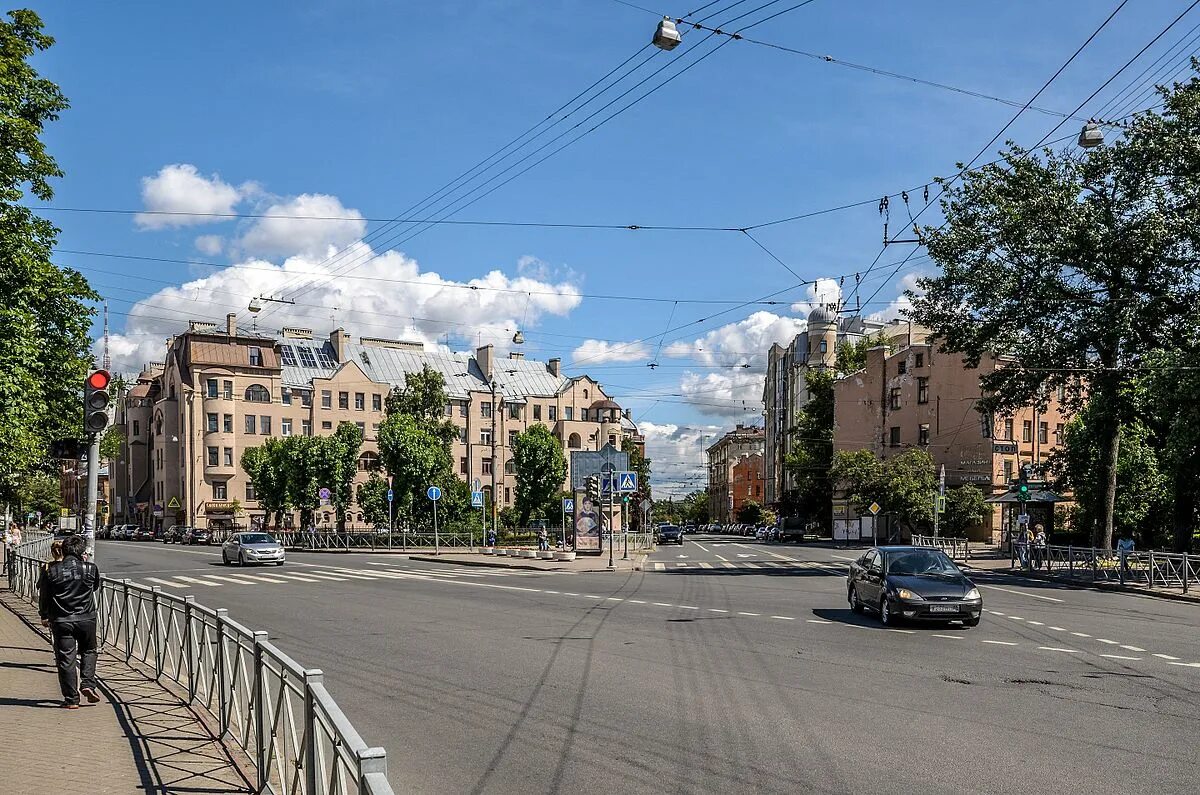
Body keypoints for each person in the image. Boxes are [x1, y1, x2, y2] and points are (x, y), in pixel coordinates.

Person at [37, 534, 102, 709]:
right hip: (87, 618)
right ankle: (88, 684)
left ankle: (72, 700)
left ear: (63, 550)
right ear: (82, 551)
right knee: (89, 650)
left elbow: (44, 596)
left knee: (66, 659)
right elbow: (94, 587)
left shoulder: (50, 571)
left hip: (61, 619)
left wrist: (43, 615)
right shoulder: (91, 568)